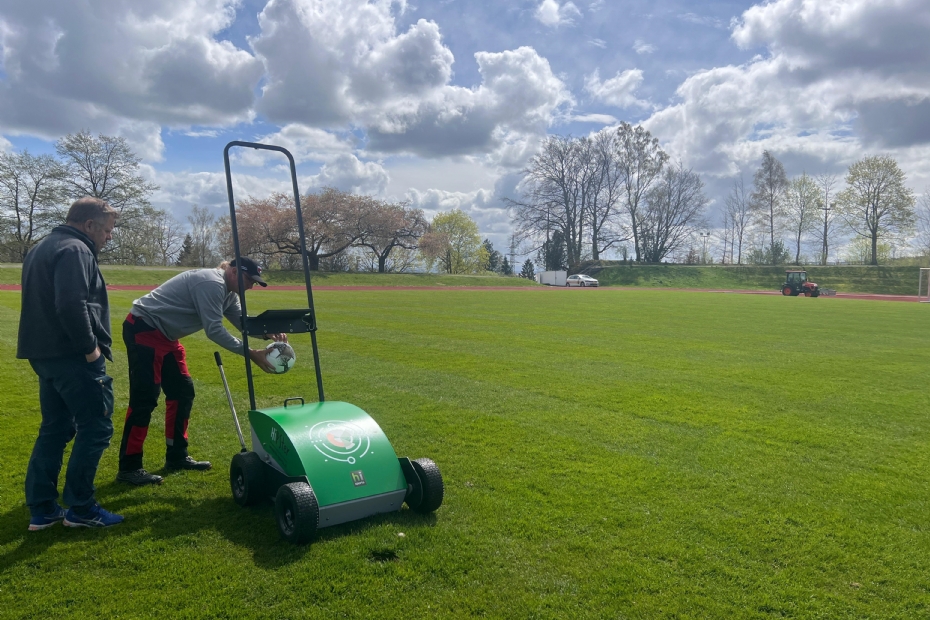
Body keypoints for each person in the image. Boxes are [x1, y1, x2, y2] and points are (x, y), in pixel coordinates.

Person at [116, 256, 286, 485]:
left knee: (182, 392)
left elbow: (243, 323)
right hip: (145, 328)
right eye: (249, 280)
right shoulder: (211, 283)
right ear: (234, 272)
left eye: (254, 282)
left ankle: (177, 456)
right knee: (144, 398)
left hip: (166, 336)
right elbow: (214, 329)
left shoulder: (229, 293)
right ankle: (129, 467)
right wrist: (250, 353)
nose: (251, 286)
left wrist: (267, 332)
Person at [18, 196, 124, 529]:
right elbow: (70, 304)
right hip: (72, 356)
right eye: (107, 230)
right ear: (89, 225)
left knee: (55, 428)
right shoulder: (76, 250)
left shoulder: (42, 246)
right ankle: (81, 507)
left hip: (45, 354)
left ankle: (43, 508)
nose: (109, 237)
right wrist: (91, 349)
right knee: (96, 426)